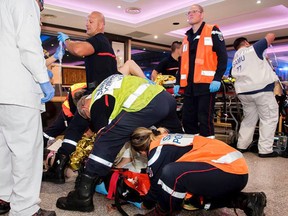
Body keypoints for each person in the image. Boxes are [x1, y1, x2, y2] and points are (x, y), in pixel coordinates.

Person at [54, 74, 183, 212]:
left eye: (88, 118)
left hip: (146, 102)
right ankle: (186, 182)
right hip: (165, 99)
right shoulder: (106, 87)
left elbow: (106, 139)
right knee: (176, 142)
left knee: (105, 140)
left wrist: (95, 167)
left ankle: (81, 197)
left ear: (85, 107)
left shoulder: (96, 102)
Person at [128, 127, 267, 216]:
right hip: (233, 171)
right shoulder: (165, 139)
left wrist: (145, 204)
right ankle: (247, 200)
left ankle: (163, 213)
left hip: (228, 171)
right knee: (190, 200)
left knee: (171, 174)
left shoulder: (156, 152)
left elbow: (156, 187)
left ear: (141, 151)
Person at [0, 0, 56, 215]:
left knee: (3, 150)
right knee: (26, 153)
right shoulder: (25, 2)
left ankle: (3, 197)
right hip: (18, 92)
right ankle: (25, 209)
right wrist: (43, 78)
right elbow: (28, 45)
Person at [176, 4, 228, 137]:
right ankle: (193, 146)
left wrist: (217, 78)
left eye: (194, 11)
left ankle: (208, 149)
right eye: (188, 12)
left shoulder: (212, 30)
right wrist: (177, 82)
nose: (191, 14)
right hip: (189, 86)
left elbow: (222, 56)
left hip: (207, 84)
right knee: (188, 119)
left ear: (202, 14)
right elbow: (182, 61)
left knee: (204, 118)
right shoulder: (186, 37)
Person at [231, 34, 279, 157]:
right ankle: (265, 150)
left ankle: (242, 145)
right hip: (260, 90)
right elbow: (271, 35)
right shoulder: (252, 49)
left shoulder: (236, 58)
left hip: (243, 92)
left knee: (249, 119)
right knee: (268, 118)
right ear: (246, 43)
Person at [43, 82, 87, 147]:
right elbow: (74, 108)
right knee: (55, 131)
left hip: (76, 110)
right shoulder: (77, 90)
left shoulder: (86, 87)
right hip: (68, 112)